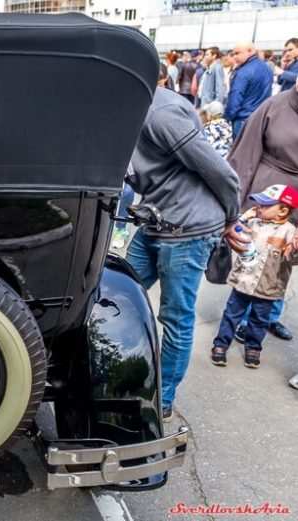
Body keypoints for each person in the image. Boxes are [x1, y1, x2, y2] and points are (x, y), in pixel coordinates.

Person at [125, 84, 243, 422]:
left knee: (175, 318)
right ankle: (124, 379)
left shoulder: (160, 113)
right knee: (117, 295)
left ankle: (162, 400)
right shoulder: (118, 109)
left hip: (188, 229)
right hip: (155, 219)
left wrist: (231, 217)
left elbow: (220, 171)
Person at [227, 81, 298, 342]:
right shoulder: (273, 105)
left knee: (284, 260)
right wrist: (234, 203)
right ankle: (243, 318)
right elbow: (244, 155)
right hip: (267, 198)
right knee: (255, 258)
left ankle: (268, 316)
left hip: (295, 204)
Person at [210, 185, 298, 369]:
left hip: (268, 287)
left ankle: (253, 348)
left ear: (282, 211)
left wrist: (295, 250)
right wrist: (242, 218)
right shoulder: (253, 223)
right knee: (231, 315)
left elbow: (292, 259)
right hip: (243, 282)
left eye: (265, 205)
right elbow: (233, 232)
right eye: (259, 203)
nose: (259, 207)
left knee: (260, 321)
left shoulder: (290, 232)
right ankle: (221, 345)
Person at [224, 42, 272, 139]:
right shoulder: (267, 68)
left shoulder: (243, 72)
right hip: (261, 118)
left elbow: (235, 98)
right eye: (233, 54)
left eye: (237, 53)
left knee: (240, 148)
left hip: (243, 120)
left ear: (249, 51)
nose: (235, 57)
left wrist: (227, 117)